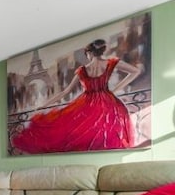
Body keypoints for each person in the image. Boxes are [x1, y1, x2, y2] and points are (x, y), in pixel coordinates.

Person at [11, 39, 141, 154]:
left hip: (87, 104)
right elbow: (136, 71)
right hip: (108, 103)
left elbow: (65, 92)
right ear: (101, 51)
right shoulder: (110, 63)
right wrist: (116, 88)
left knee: (77, 135)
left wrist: (43, 106)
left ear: (89, 53)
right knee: (107, 136)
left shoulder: (82, 70)